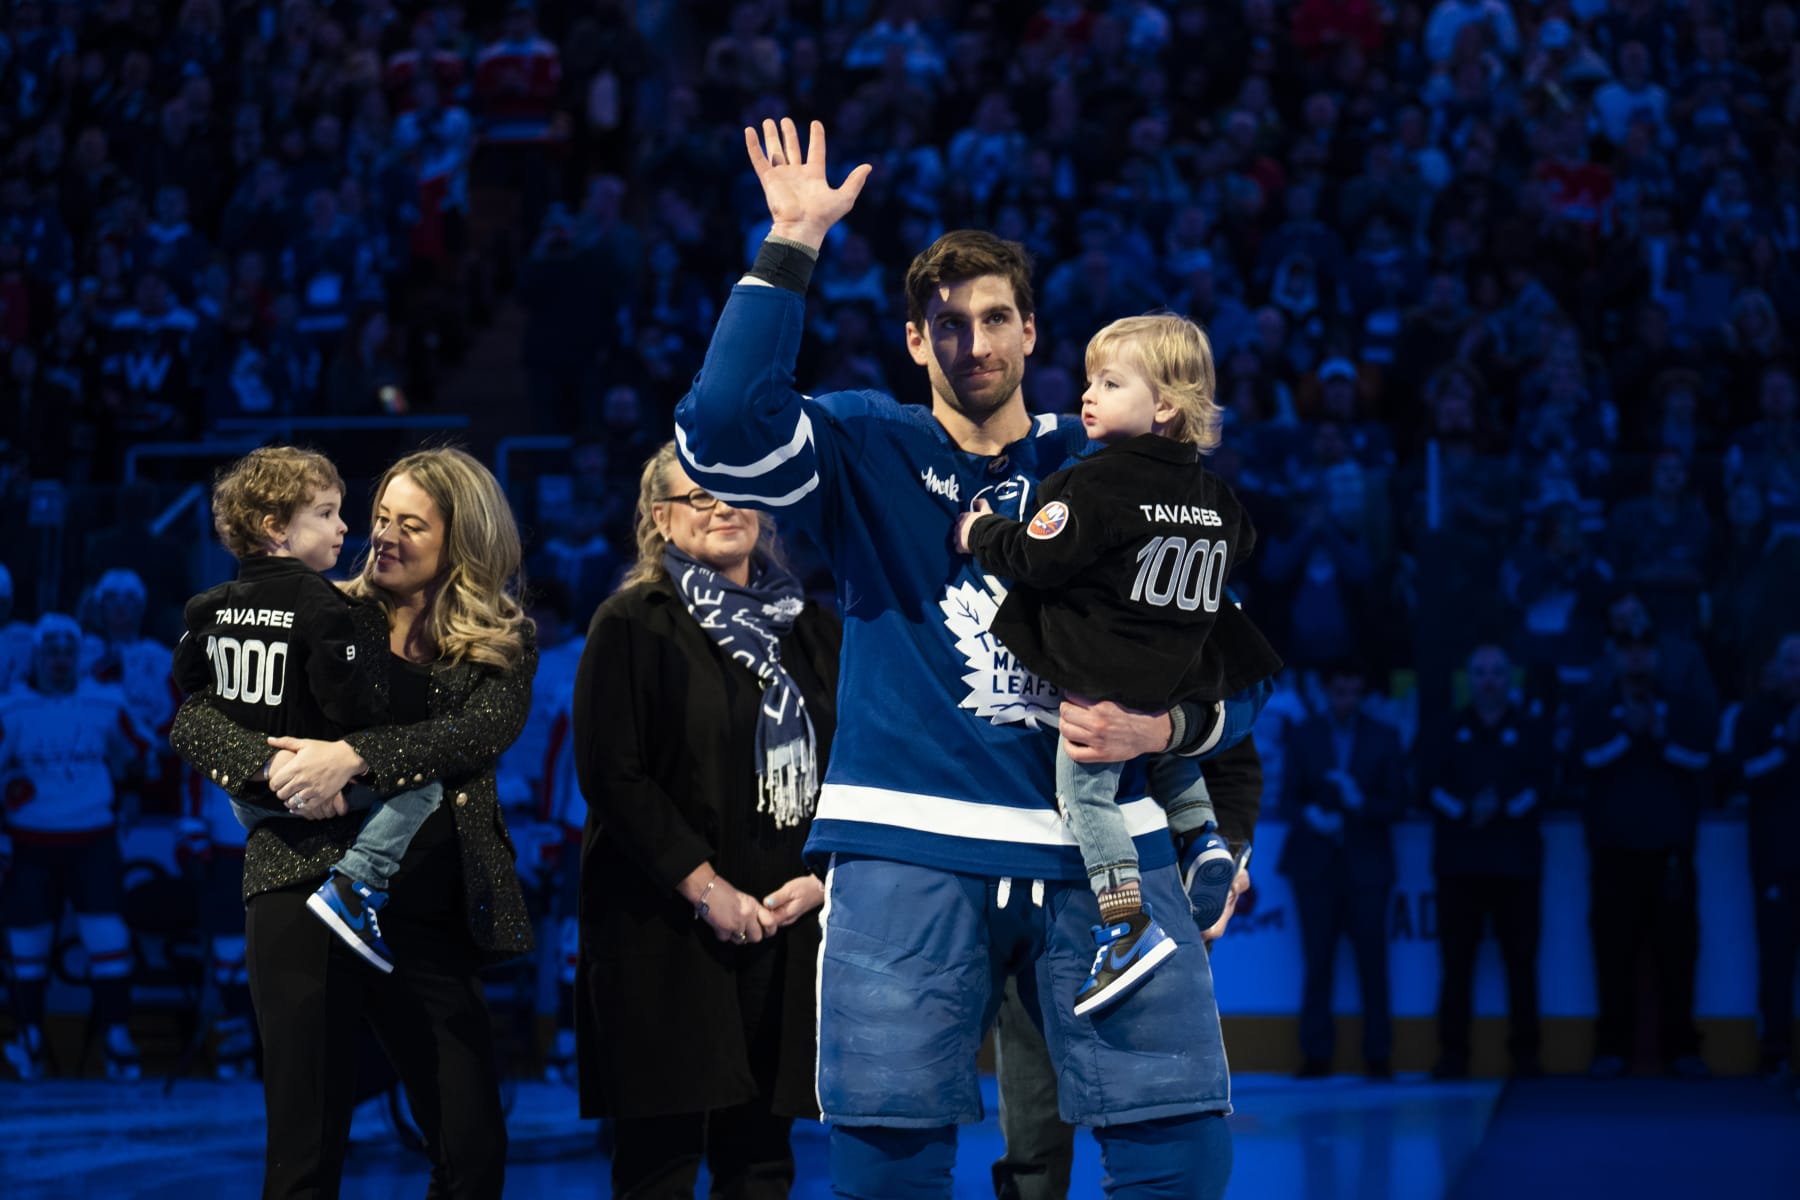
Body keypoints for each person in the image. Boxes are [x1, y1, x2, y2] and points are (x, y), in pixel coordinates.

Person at [674, 117, 1263, 1197]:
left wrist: (1170, 743)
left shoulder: (1125, 470)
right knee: (884, 1153)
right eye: (947, 324)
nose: (974, 343)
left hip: (1107, 848)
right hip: (911, 843)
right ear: (914, 342)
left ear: (1035, 332)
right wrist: (792, 244)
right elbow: (718, 434)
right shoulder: (866, 443)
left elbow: (1233, 677)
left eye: (996, 320)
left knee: (1178, 1143)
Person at [170, 448, 536, 1198]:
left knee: (472, 1152)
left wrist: (351, 757)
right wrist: (272, 770)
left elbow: (476, 734)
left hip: (429, 919)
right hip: (298, 890)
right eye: (378, 519)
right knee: (304, 1155)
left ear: (462, 539)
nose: (383, 536)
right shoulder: (323, 607)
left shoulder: (504, 637)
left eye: (411, 525)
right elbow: (196, 716)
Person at [954, 313, 1280, 1015]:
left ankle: (1124, 919)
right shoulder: (1219, 497)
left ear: (1164, 405)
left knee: (1086, 794)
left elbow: (1037, 557)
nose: (1086, 396)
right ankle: (1205, 843)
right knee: (1169, 756)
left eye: (1108, 381)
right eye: (1087, 381)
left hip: (1098, 682)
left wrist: (982, 532)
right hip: (1172, 679)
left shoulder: (1094, 485)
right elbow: (1243, 543)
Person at [571, 441, 842, 1197]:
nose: (723, 506)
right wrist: (705, 888)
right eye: (699, 496)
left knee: (762, 1163)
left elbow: (855, 769)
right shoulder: (631, 622)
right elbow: (613, 776)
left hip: (785, 931)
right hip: (664, 931)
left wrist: (820, 880)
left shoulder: (813, 631)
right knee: (658, 1166)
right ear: (661, 519)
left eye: (735, 489)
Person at [171, 445, 444, 973]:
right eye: (325, 514)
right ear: (275, 527)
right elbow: (345, 703)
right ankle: (356, 883)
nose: (344, 528)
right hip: (315, 787)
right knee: (422, 781)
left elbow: (189, 681)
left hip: (248, 802)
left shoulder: (205, 607)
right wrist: (351, 755)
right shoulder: (323, 604)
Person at [991, 734, 1265, 1200]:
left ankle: (1200, 849)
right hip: (1037, 882)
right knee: (1035, 1117)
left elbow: (1232, 758)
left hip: (1145, 887)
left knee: (1161, 1120)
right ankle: (1202, 842)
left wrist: (1230, 859)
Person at [0, 614, 151, 1081]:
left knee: (109, 941)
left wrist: (130, 793)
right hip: (30, 842)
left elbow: (143, 755)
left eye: (68, 648)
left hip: (93, 839)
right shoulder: (11, 710)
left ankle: (117, 1037)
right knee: (29, 948)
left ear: (78, 654)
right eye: (51, 649)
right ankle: (28, 1038)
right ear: (37, 655)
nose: (60, 658)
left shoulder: (106, 703)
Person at [1569, 609, 1715, 1079]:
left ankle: (1682, 1048)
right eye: (1627, 649)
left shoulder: (1684, 705)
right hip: (1613, 851)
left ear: (1656, 655)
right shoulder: (1592, 708)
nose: (1636, 657)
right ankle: (1612, 1047)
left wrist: (1659, 733)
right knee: (1613, 953)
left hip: (1671, 851)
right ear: (1613, 655)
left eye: (1644, 649)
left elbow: (1703, 761)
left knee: (1678, 954)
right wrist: (1625, 734)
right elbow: (1584, 762)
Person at [1425, 644, 1550, 1080]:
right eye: (1480, 672)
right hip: (1459, 866)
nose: (1489, 680)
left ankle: (1527, 1057)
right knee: (1456, 966)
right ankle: (1453, 1056)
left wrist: (1505, 806)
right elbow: (1425, 785)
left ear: (1510, 678)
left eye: (1498, 671)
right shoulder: (1446, 729)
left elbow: (1546, 783)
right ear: (1469, 679)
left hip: (1517, 866)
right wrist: (1463, 808)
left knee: (1522, 963)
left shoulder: (1532, 730)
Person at [1279, 660, 1408, 1078]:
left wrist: (1360, 804)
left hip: (1367, 866)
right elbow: (1286, 799)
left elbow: (1398, 803)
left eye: (1355, 692)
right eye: (1340, 692)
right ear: (1325, 691)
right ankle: (1316, 1054)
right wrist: (1310, 815)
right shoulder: (1303, 736)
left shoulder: (1384, 737)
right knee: (1317, 963)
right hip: (1314, 866)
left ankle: (1378, 1054)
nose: (1347, 701)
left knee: (1373, 962)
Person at [1733, 633, 1800, 1083]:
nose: (1797, 672)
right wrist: (1789, 746)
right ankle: (1774, 1052)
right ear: (1775, 667)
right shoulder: (1754, 715)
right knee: (1777, 958)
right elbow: (1742, 777)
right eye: (1791, 663)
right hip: (1777, 858)